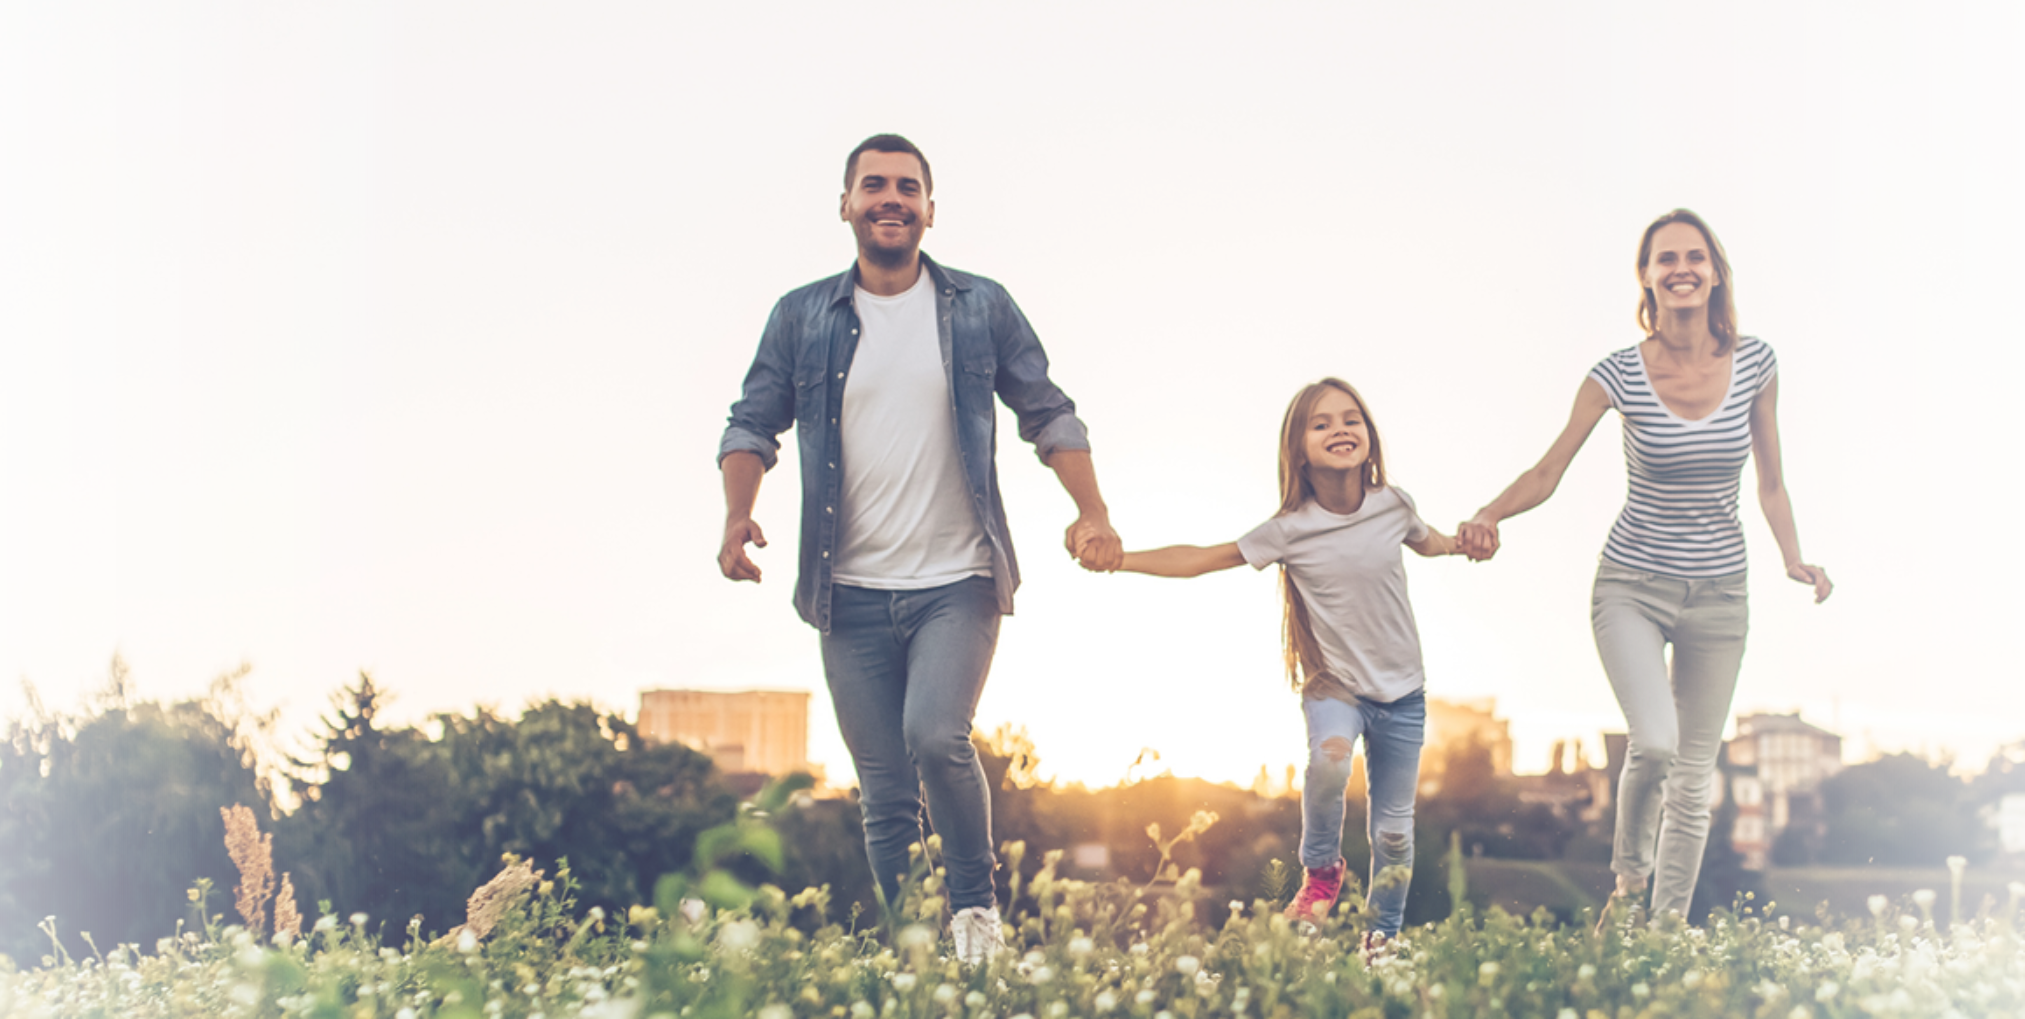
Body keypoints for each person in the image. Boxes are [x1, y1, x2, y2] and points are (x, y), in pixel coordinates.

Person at [716, 133, 1121, 961]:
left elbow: (1048, 411)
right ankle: (909, 950)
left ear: (931, 209)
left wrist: (1093, 511)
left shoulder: (981, 306)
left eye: (907, 186)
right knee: (884, 792)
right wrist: (736, 515)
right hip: (848, 591)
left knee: (937, 734)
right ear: (846, 205)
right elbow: (752, 422)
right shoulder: (802, 316)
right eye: (874, 186)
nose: (890, 198)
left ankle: (975, 919)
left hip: (958, 579)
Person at [1456, 209, 1833, 925]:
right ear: (1647, 277)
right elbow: (1548, 468)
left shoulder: (1757, 364)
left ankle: (1662, 937)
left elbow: (1772, 482)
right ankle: (1629, 887)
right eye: (1666, 258)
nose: (1682, 268)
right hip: (1632, 585)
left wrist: (1793, 556)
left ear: (1716, 271)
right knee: (1654, 742)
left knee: (1696, 779)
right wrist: (1490, 513)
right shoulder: (1616, 374)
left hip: (1721, 596)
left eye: (1695, 256)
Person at [1113, 377, 1465, 949]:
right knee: (1329, 761)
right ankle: (1322, 871)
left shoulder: (1395, 505)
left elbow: (1434, 541)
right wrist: (1120, 559)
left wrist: (1468, 539)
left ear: (1369, 437)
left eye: (1351, 419)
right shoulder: (1289, 529)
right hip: (1335, 687)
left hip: (1403, 695)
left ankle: (1382, 943)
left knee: (1395, 835)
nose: (1340, 430)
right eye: (1321, 423)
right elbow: (1203, 558)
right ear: (1298, 450)